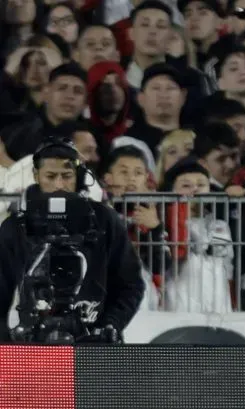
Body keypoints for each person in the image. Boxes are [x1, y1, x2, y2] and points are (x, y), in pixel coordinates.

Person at [0, 138, 145, 343]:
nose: (59, 184)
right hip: (32, 345)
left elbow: (131, 284)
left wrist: (110, 325)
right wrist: (6, 342)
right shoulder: (16, 227)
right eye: (50, 176)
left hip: (93, 344)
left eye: (66, 176)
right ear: (36, 175)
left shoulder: (105, 220)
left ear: (78, 176)